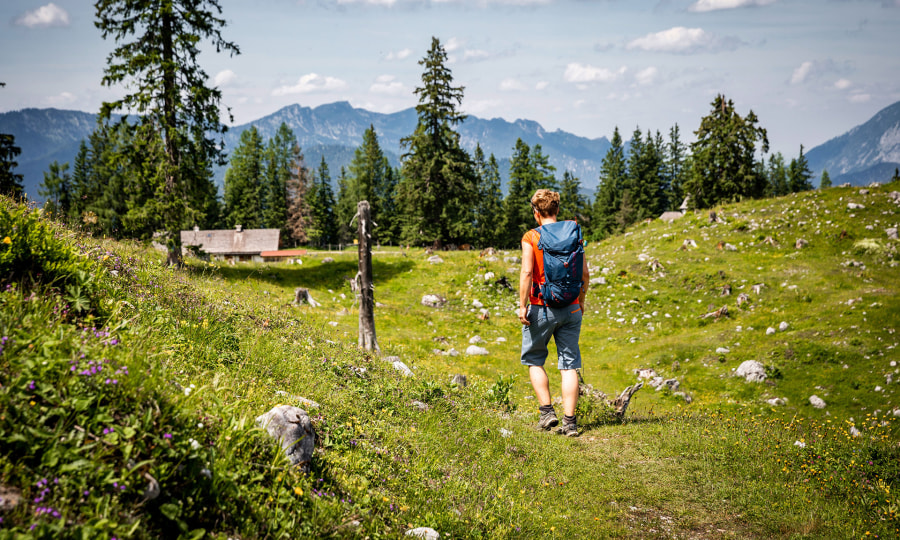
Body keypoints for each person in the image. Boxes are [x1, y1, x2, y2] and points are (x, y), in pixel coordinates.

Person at [518, 189, 589, 437]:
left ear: (536, 213)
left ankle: (547, 412)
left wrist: (522, 304)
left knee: (535, 359)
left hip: (541, 307)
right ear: (557, 210)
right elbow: (584, 274)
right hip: (571, 307)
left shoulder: (531, 236)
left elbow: (527, 273)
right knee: (569, 365)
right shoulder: (574, 233)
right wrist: (581, 300)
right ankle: (570, 424)